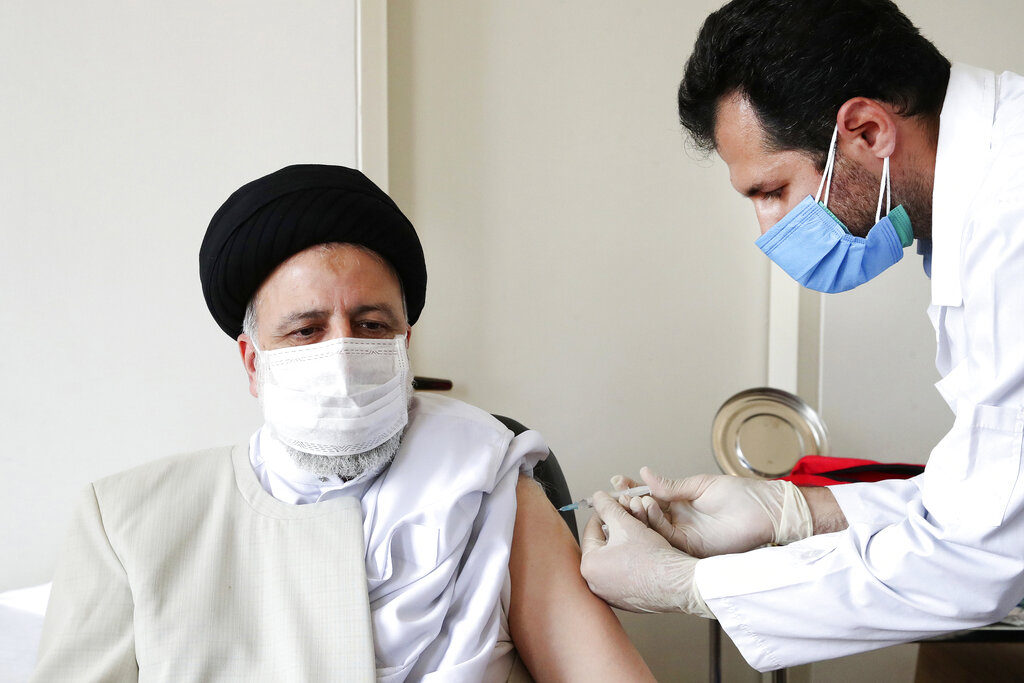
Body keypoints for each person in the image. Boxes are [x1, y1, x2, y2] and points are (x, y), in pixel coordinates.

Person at [33, 164, 654, 682]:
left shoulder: (488, 484)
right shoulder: (128, 523)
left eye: (370, 325)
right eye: (306, 330)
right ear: (253, 363)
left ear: (403, 345)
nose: (342, 355)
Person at [580, 0, 1024, 673]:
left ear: (867, 131)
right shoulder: (977, 193)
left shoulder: (1009, 222)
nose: (768, 229)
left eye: (772, 190)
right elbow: (990, 492)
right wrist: (793, 510)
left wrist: (692, 585)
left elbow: (981, 552)